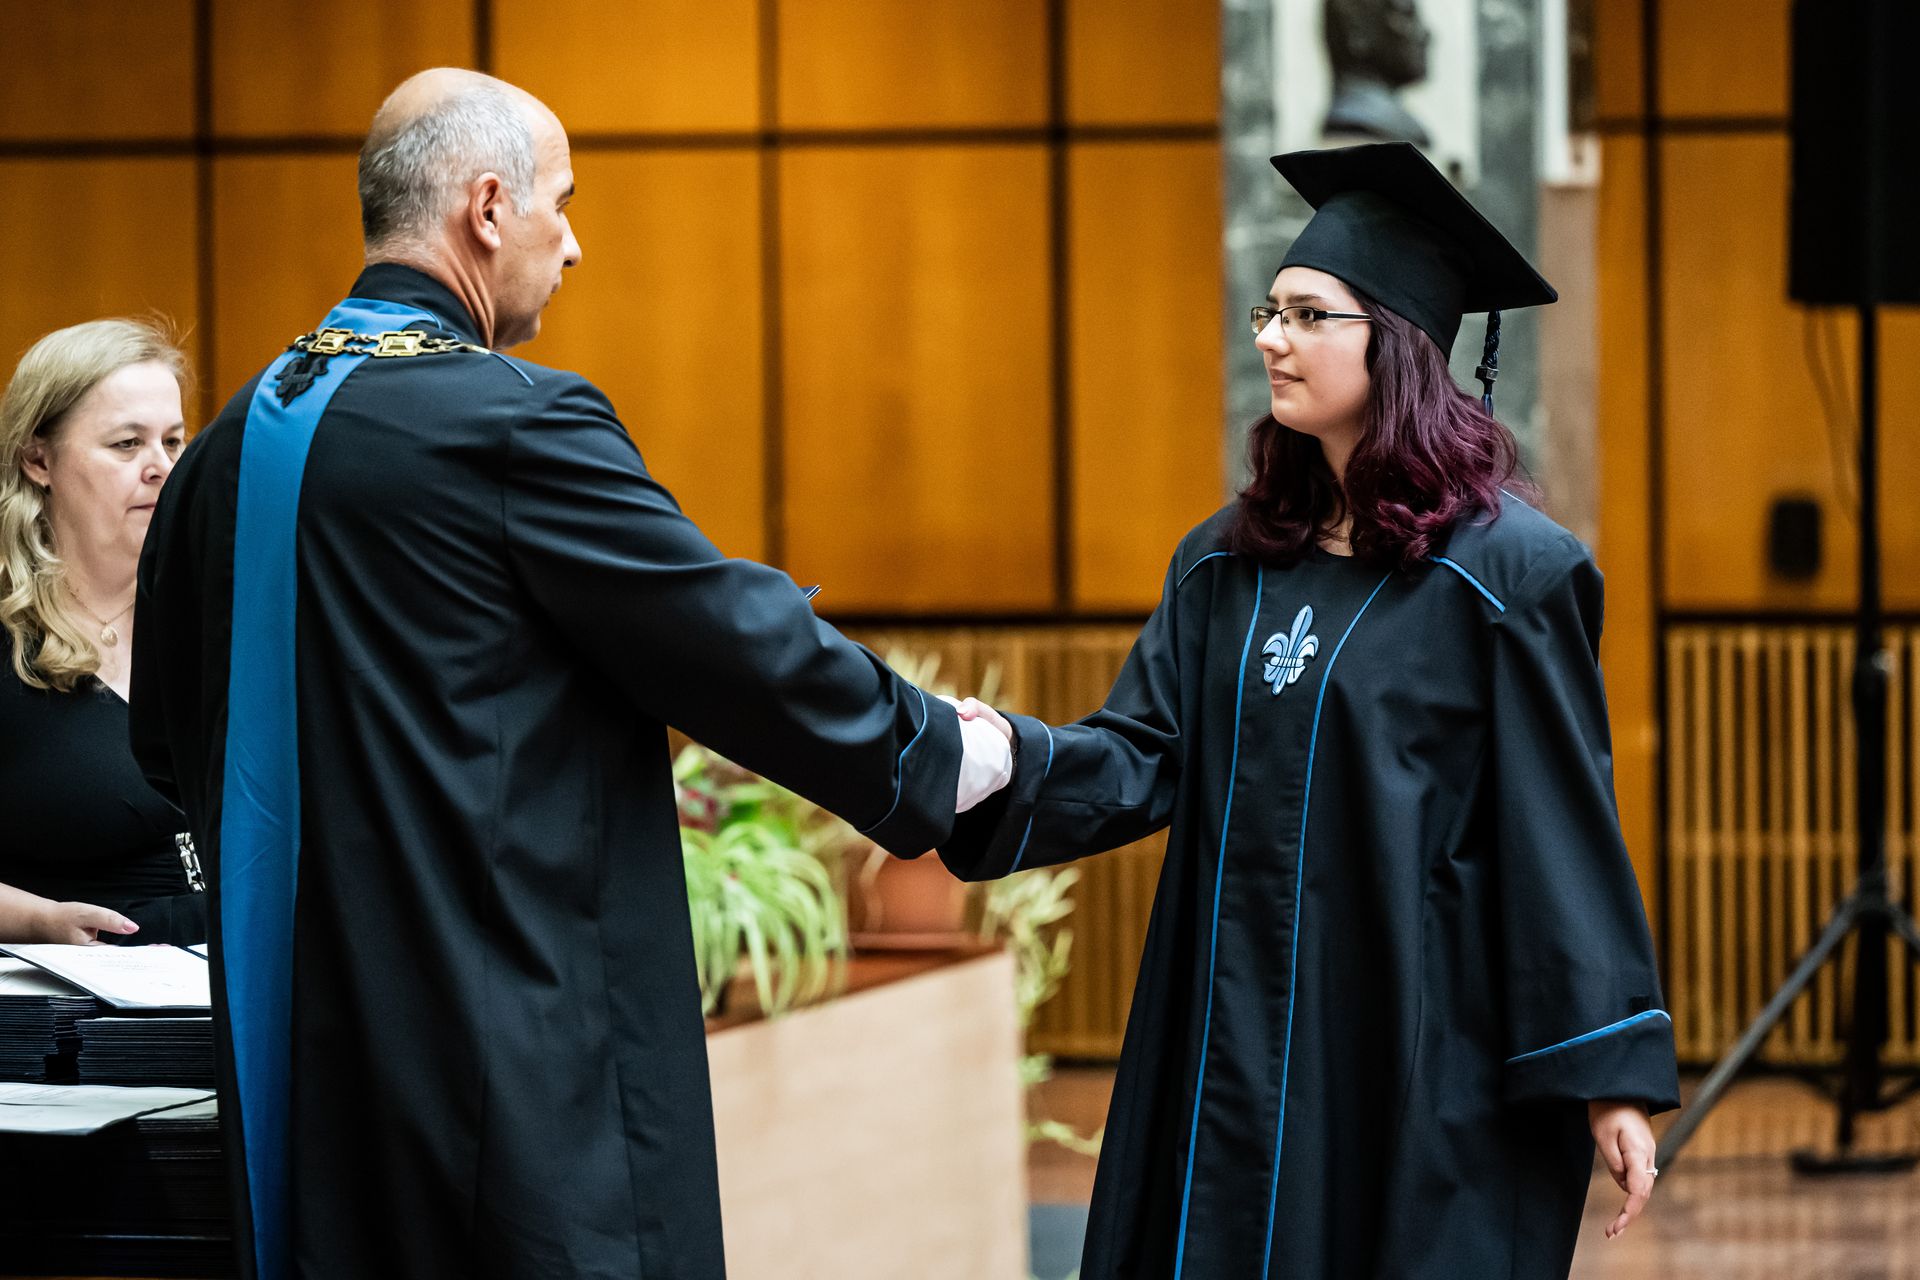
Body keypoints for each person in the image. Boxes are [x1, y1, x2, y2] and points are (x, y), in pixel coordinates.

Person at [131, 69, 1009, 1280]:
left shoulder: (222, 451)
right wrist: (938, 751)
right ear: (489, 207)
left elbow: (164, 747)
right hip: (508, 1075)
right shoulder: (511, 424)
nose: (576, 243)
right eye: (565, 200)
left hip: (299, 1083)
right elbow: (728, 639)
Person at [944, 143, 1680, 1279]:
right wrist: (1003, 757)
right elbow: (1144, 754)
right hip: (1222, 1034)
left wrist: (1609, 1074)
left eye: (1307, 315)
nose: (1271, 339)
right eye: (1269, 311)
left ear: (1398, 341)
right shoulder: (1226, 563)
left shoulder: (1506, 577)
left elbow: (1558, 834)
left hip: (1406, 1043)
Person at [0, 319, 200, 945]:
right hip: (74, 989)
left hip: (239, 973)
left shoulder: (217, 616)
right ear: (39, 459)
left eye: (173, 441)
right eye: (127, 444)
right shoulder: (8, 636)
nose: (161, 467)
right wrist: (36, 921)